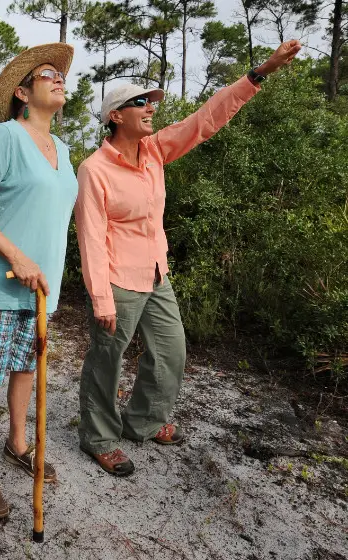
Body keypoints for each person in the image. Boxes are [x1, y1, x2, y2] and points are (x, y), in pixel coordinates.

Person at [75, 40, 302, 477]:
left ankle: (143, 422)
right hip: (118, 280)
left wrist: (259, 73)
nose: (150, 108)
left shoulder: (156, 151)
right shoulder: (94, 169)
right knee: (107, 359)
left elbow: (206, 119)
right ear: (115, 117)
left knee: (171, 351)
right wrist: (100, 296)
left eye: (151, 102)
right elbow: (90, 236)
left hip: (156, 273)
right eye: (140, 103)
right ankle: (99, 437)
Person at [0, 43, 78, 518]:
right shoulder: (7, 135)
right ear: (25, 94)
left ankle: (17, 443)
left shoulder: (64, 150)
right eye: (48, 74)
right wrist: (15, 254)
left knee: (28, 370)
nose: (59, 78)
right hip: (1, 284)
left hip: (43, 289)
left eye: (61, 74)